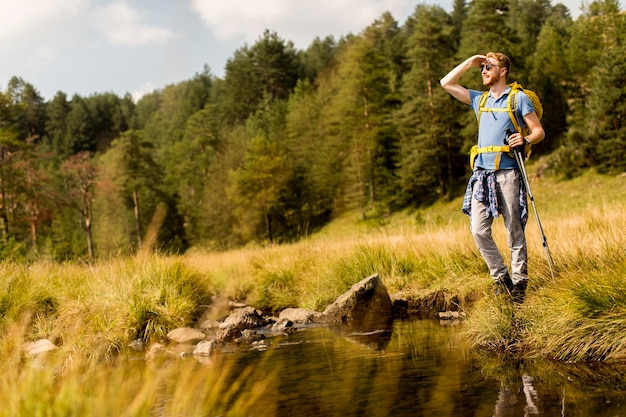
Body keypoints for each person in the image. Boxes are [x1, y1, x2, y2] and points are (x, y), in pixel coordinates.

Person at [440, 52, 545, 303]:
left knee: (513, 229)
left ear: (503, 70)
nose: (484, 71)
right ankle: (502, 278)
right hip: (481, 175)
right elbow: (446, 83)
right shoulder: (480, 99)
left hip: (508, 172)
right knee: (478, 229)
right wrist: (470, 62)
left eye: (489, 67)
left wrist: (526, 139)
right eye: (482, 67)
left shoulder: (518, 99)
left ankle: (520, 283)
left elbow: (539, 130)